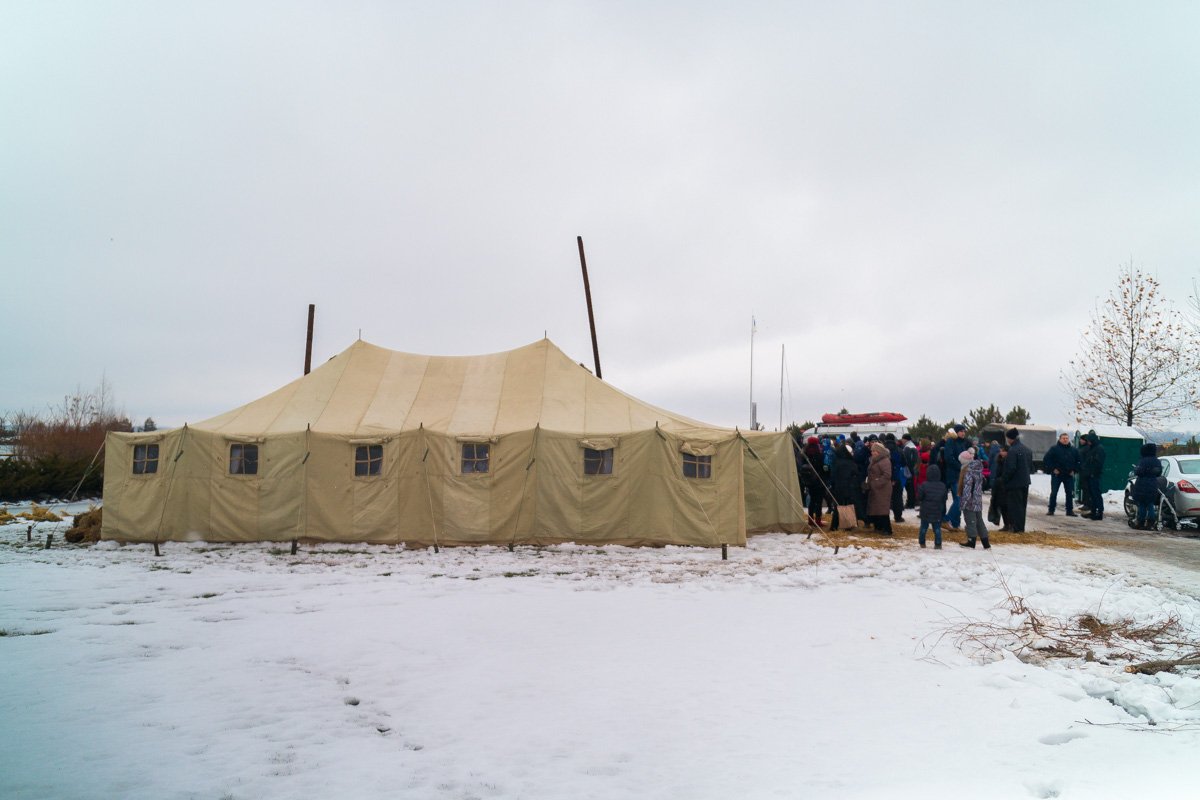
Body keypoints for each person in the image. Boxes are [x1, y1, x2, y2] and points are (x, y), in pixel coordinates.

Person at [1002, 428, 1033, 532]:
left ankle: (1016, 528)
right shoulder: (1027, 449)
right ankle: (1020, 527)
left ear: (1010, 438)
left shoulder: (1012, 450)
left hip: (1014, 483)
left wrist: (1004, 479)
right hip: (1025, 482)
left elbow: (1011, 468)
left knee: (1015, 506)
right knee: (1022, 506)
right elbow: (1030, 466)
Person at [1043, 432, 1081, 516]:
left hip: (1068, 475)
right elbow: (1046, 459)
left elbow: (1079, 461)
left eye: (1067, 438)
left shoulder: (1074, 450)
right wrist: (1053, 469)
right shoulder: (1054, 449)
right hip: (1057, 475)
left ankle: (1069, 510)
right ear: (1060, 439)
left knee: (1069, 493)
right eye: (1063, 438)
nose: (1065, 440)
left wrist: (1074, 470)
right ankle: (1051, 509)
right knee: (1054, 492)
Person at [959, 450, 990, 549]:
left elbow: (967, 489)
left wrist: (964, 503)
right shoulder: (977, 470)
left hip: (970, 501)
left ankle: (971, 541)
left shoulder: (968, 472)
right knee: (979, 521)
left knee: (970, 521)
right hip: (977, 499)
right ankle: (986, 542)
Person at [941, 425, 968, 529]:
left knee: (958, 499)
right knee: (960, 499)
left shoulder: (963, 443)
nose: (963, 433)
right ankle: (946, 519)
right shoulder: (951, 441)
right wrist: (961, 466)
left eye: (964, 431)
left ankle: (955, 523)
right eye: (961, 431)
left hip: (961, 474)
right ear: (956, 432)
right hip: (953, 475)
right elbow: (948, 458)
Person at [1132, 442, 1163, 530]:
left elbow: (1138, 472)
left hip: (1142, 484)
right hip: (1153, 484)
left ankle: (1141, 522)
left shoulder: (1143, 461)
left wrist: (1137, 469)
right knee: (1150, 504)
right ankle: (1151, 522)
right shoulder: (1157, 461)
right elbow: (1159, 473)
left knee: (1142, 504)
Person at [829, 443, 861, 530]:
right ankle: (848, 524)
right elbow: (855, 473)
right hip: (849, 487)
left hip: (838, 487)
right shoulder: (850, 462)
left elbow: (833, 475)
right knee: (848, 505)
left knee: (838, 506)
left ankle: (834, 525)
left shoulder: (837, 461)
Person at [799, 436, 828, 529]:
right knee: (819, 501)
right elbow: (823, 468)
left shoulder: (805, 454)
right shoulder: (819, 454)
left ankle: (810, 520)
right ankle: (818, 520)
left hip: (809, 481)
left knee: (812, 501)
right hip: (819, 481)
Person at [916, 464, 947, 548]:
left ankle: (922, 542)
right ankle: (938, 543)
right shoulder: (942, 486)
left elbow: (919, 497)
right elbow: (944, 498)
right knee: (937, 529)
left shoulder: (924, 485)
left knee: (923, 528)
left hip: (925, 511)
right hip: (937, 510)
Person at [865, 441, 894, 534]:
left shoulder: (885, 460)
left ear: (879, 451)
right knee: (876, 508)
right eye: (872, 451)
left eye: (874, 451)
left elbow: (887, 475)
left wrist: (875, 483)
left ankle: (887, 529)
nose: (872, 452)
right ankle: (878, 527)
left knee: (882, 509)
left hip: (883, 488)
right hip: (875, 488)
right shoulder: (875, 460)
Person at [1079, 431, 1107, 520]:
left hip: (1094, 475)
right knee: (1092, 494)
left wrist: (1093, 473)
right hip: (1089, 474)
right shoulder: (1092, 448)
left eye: (1089, 441)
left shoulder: (1099, 449)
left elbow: (1098, 463)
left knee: (1096, 494)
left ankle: (1099, 512)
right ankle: (1093, 511)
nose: (1088, 442)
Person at [989, 444, 1011, 531]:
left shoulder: (1007, 461)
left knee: (1005, 506)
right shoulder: (999, 459)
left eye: (1003, 451)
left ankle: (1008, 524)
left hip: (1004, 485)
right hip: (998, 485)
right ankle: (1006, 524)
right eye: (1001, 451)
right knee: (1001, 506)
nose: (1001, 452)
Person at [901, 433, 919, 509]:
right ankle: (912, 502)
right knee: (912, 487)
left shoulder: (907, 448)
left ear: (905, 439)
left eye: (902, 439)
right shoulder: (913, 446)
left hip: (909, 470)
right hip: (914, 469)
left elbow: (907, 460)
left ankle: (910, 503)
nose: (901, 440)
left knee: (909, 487)